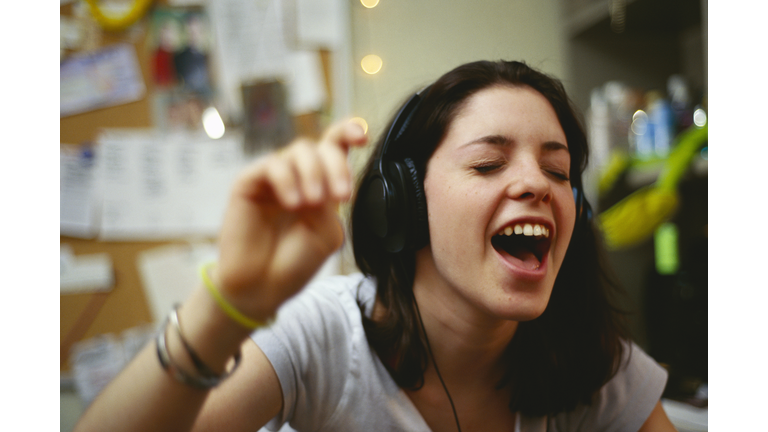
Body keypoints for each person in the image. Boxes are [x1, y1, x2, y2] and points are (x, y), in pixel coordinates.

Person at [74, 60, 677, 432]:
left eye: (558, 170)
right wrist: (225, 303)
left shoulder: (588, 361)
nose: (535, 186)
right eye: (490, 162)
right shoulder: (320, 335)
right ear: (402, 204)